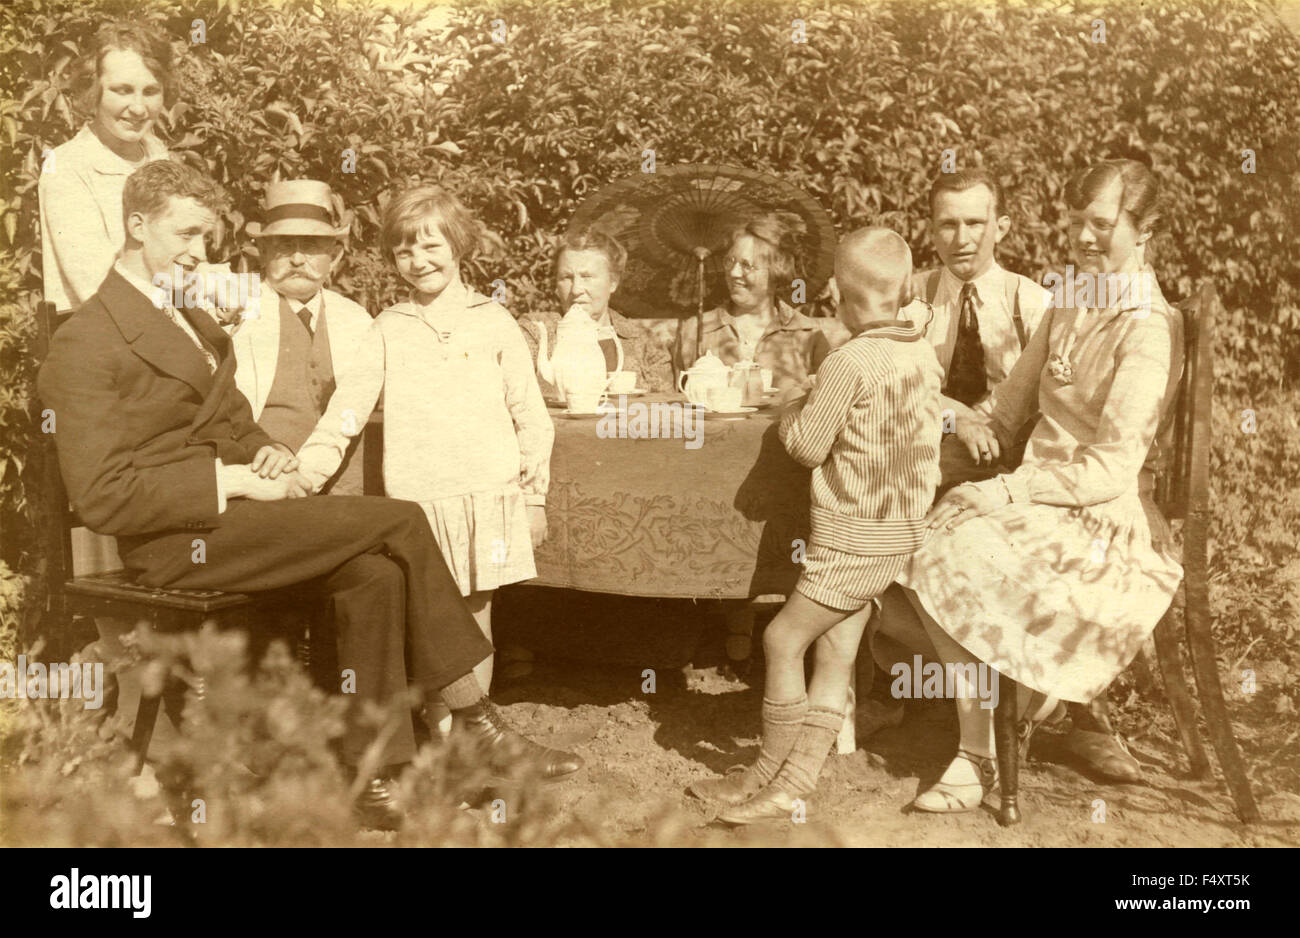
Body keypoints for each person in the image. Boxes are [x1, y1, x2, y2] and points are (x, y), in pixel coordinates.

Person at [37, 161, 582, 830]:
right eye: (184, 235)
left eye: (206, 239)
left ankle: (376, 776)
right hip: (178, 542)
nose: (197, 254)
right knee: (402, 519)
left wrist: (261, 451)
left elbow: (229, 419)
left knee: (374, 573)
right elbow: (101, 496)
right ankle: (476, 721)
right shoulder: (86, 340)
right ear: (136, 224)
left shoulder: (191, 318)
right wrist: (229, 479)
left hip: (235, 522)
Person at [890, 159, 1183, 812]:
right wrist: (950, 440)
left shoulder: (1147, 327)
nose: (1082, 239)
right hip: (1039, 502)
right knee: (906, 539)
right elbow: (1007, 408)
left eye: (1101, 226)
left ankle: (983, 749)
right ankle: (1022, 708)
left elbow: (1110, 469)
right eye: (1076, 223)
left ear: (1145, 232)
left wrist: (1000, 494)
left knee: (941, 552)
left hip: (1100, 522)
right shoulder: (1075, 299)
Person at [686, 228, 943, 825]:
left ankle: (772, 773)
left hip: (850, 538)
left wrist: (796, 402)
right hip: (896, 533)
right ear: (906, 287)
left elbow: (804, 447)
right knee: (833, 653)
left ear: (836, 294)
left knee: (780, 640)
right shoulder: (919, 353)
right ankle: (790, 782)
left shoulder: (849, 361)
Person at [293, 185, 559, 739]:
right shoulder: (388, 327)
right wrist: (305, 474)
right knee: (432, 628)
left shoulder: (494, 320)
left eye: (430, 246)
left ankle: (472, 745)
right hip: (419, 508)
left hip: (488, 497)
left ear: (458, 244)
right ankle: (442, 741)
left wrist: (534, 498)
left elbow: (532, 417)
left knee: (477, 620)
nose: (419, 262)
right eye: (403, 252)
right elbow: (345, 413)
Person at [902, 168, 1052, 491]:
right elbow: (887, 386)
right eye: (948, 224)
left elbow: (1053, 401)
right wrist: (956, 418)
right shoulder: (910, 301)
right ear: (931, 231)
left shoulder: (1033, 304)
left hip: (1007, 466)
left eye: (974, 223)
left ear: (1001, 228)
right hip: (919, 459)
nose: (961, 240)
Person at [229, 180, 371, 495]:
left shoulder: (358, 322)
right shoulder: (236, 313)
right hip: (263, 484)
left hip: (342, 490)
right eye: (283, 245)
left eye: (310, 246)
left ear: (334, 256)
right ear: (262, 252)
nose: (296, 259)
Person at [39, 23, 171, 312]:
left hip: (168, 321)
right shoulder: (66, 167)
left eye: (150, 91)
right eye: (122, 90)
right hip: (105, 338)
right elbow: (98, 291)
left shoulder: (158, 154)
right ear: (93, 90)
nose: (138, 108)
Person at [675, 212, 849, 392]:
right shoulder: (697, 330)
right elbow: (679, 403)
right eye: (730, 261)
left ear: (776, 270)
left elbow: (828, 401)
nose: (734, 273)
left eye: (746, 265)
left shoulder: (807, 334)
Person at [522, 227, 676, 395]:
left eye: (587, 277)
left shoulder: (646, 345)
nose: (576, 290)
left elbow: (665, 410)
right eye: (566, 277)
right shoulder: (536, 332)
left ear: (613, 283)